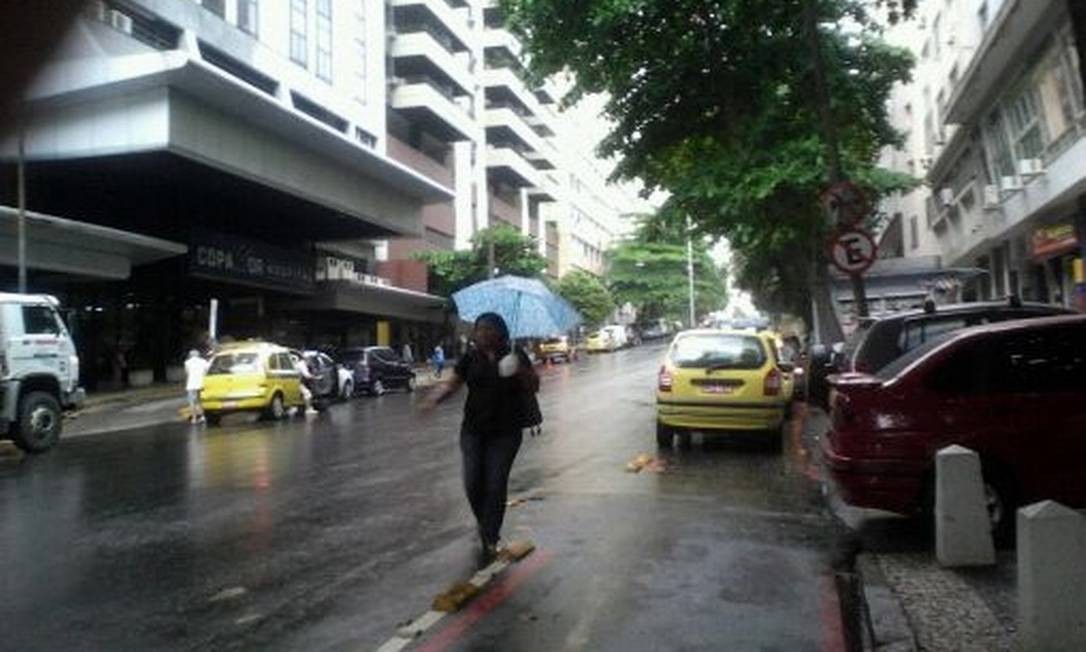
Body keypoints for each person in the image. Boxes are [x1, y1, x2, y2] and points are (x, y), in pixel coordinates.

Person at [421, 313, 539, 560]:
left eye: (488, 329)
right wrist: (434, 399)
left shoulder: (515, 355)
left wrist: (517, 371)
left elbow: (534, 385)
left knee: (495, 484)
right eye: (479, 329)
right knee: (473, 483)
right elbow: (453, 383)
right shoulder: (470, 357)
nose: (482, 333)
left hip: (506, 432)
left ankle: (490, 535)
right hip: (473, 430)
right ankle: (485, 522)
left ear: (500, 333)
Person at [184, 349, 209, 424]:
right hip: (201, 383)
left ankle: (194, 419)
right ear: (198, 355)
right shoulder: (204, 361)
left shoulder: (187, 362)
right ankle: (203, 417)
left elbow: (187, 373)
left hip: (191, 384)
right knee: (200, 401)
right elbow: (206, 371)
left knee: (192, 402)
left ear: (190, 355)